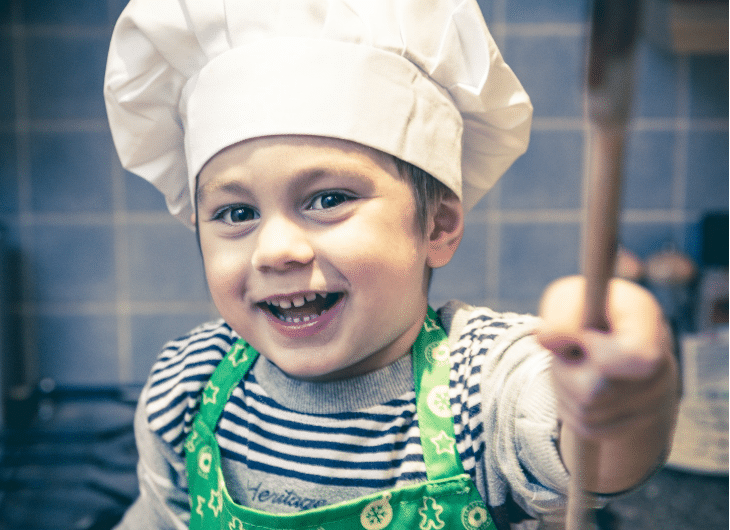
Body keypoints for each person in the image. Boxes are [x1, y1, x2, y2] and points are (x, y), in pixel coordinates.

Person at [104, 1, 680, 528]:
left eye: (328, 200)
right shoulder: (188, 386)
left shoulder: (478, 389)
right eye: (235, 212)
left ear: (437, 226)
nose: (274, 249)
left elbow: (594, 455)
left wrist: (628, 399)